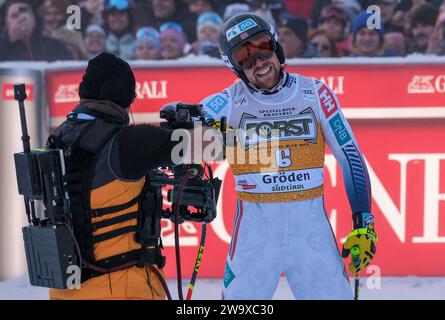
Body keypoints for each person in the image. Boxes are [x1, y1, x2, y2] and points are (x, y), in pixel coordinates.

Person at [200, 13, 377, 300]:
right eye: (245, 58)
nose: (258, 62)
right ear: (234, 68)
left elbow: (350, 157)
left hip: (311, 236)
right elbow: (181, 136)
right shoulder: (229, 101)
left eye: (263, 47)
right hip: (254, 240)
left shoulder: (315, 93)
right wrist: (191, 133)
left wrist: (364, 224)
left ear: (277, 47)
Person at [47, 53, 178, 300]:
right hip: (122, 289)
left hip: (64, 292)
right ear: (127, 98)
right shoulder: (129, 143)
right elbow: (204, 144)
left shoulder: (58, 138)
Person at [0, 0, 73, 61]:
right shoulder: (3, 45)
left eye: (25, 14)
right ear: (6, 22)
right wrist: (9, 38)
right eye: (14, 16)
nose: (21, 19)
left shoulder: (56, 45)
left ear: (34, 19)